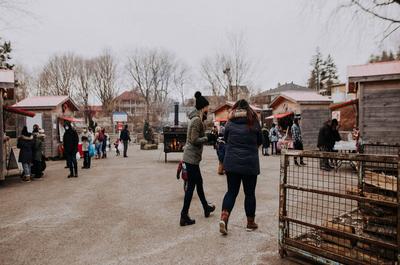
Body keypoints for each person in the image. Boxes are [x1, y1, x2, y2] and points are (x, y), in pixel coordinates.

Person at [219, 99, 262, 235]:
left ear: (236, 109)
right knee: (249, 193)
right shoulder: (254, 121)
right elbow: (260, 141)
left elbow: (225, 139)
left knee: (231, 192)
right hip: (250, 164)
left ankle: (224, 218)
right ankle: (250, 223)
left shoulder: (230, 122)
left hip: (232, 163)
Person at [180, 91, 215, 226]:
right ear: (202, 107)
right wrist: (208, 138)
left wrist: (207, 135)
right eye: (207, 107)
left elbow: (196, 136)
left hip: (192, 158)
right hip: (191, 158)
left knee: (198, 183)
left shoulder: (196, 119)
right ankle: (184, 215)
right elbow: (194, 139)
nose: (208, 110)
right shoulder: (196, 120)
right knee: (191, 187)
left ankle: (206, 207)